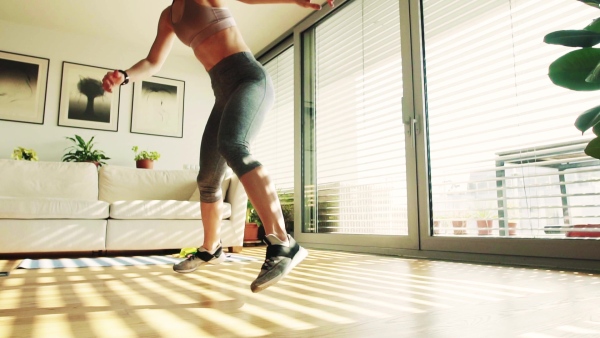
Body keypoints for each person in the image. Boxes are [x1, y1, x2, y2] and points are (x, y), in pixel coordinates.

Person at [102, 0, 334, 293]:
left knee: (234, 146)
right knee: (207, 179)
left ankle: (283, 242)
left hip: (250, 80)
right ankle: (211, 247)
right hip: (222, 94)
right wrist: (124, 76)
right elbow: (153, 61)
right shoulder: (168, 17)